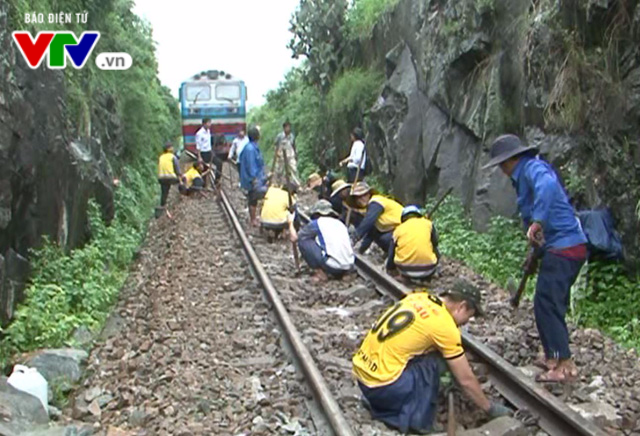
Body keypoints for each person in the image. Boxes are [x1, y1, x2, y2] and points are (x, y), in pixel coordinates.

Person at [483, 134, 588, 383]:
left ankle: (564, 364)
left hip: (565, 246)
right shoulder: (525, 175)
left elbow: (548, 190)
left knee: (547, 302)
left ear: (509, 161)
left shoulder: (532, 168)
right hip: (559, 247)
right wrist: (535, 251)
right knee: (548, 302)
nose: (501, 170)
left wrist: (538, 220)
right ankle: (553, 356)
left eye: (501, 164)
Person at [352, 281, 512, 434]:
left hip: (363, 377)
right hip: (383, 388)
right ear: (462, 307)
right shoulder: (445, 326)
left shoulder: (418, 296)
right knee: (438, 363)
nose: (466, 323)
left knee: (431, 354)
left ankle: (379, 403)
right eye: (468, 317)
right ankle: (416, 421)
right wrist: (489, 408)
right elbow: (466, 379)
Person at [288, 199, 355, 283]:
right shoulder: (341, 224)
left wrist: (290, 224)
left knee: (303, 240)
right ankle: (346, 274)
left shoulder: (317, 223)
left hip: (332, 266)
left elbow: (296, 238)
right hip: (349, 265)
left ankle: (320, 272)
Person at [386, 205, 440, 281]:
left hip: (405, 269)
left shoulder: (398, 229)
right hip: (429, 269)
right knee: (433, 247)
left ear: (404, 218)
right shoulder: (428, 224)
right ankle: (428, 277)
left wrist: (390, 268)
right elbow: (435, 243)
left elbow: (391, 252)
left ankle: (405, 276)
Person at [350, 182, 403, 254]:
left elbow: (368, 222)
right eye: (358, 197)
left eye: (364, 195)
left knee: (384, 239)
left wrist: (354, 238)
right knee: (378, 234)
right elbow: (372, 232)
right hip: (398, 231)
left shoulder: (376, 202)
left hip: (404, 232)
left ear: (369, 194)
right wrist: (360, 250)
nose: (361, 199)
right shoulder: (373, 207)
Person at [240, 126, 268, 228]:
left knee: (254, 198)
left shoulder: (251, 147)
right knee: (253, 197)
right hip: (254, 179)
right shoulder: (250, 149)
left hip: (258, 177)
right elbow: (251, 166)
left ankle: (255, 217)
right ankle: (253, 219)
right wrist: (254, 179)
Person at [157, 142, 184, 218]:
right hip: (170, 177)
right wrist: (181, 178)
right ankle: (182, 196)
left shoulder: (161, 157)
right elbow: (177, 170)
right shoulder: (173, 157)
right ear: (169, 149)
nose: (173, 148)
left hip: (161, 178)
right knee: (181, 182)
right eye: (171, 147)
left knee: (164, 192)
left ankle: (162, 206)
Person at [272, 121, 299, 186]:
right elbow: (275, 145)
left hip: (290, 155)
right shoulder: (280, 136)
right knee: (279, 171)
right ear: (284, 128)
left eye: (289, 127)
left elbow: (294, 145)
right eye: (287, 127)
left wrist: (295, 154)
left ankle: (296, 184)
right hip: (281, 156)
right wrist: (277, 153)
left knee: (293, 169)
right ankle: (278, 184)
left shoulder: (292, 136)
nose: (288, 129)